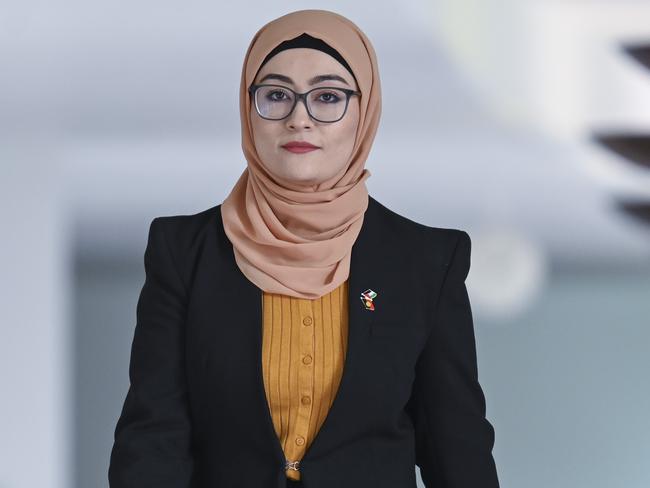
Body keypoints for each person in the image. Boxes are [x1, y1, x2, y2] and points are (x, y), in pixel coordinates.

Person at [108, 9, 500, 488]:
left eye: (328, 97)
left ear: (365, 110)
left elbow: (456, 446)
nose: (299, 119)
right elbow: (153, 436)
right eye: (275, 95)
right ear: (247, 109)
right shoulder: (184, 253)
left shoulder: (426, 262)